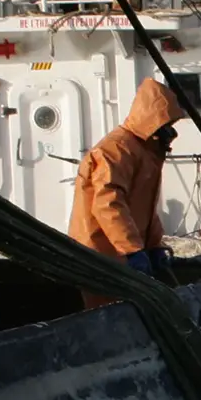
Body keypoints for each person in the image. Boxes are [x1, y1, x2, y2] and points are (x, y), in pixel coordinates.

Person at [67, 77, 184, 307]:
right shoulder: (116, 150)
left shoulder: (143, 151)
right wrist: (132, 249)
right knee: (107, 315)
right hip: (100, 255)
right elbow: (108, 204)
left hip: (119, 253)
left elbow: (145, 207)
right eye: (167, 124)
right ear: (153, 121)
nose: (170, 132)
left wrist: (154, 245)